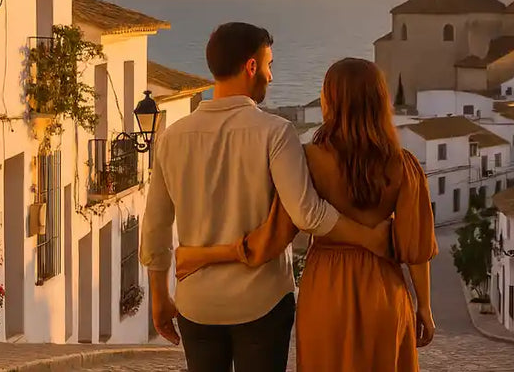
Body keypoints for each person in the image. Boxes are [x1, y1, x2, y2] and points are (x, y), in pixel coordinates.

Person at [139, 23, 391, 372]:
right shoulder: (276, 132)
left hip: (197, 303)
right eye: (269, 64)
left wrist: (158, 297)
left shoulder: (172, 138)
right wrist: (370, 237)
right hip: (261, 301)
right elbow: (308, 215)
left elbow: (155, 226)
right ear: (251, 67)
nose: (271, 77)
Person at [175, 57, 438, 371]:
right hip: (383, 290)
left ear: (329, 100)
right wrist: (425, 307)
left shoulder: (309, 160)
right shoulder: (403, 166)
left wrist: (207, 255)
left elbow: (275, 234)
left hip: (324, 290)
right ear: (380, 101)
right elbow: (416, 248)